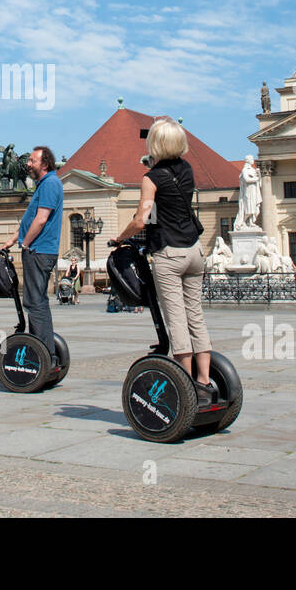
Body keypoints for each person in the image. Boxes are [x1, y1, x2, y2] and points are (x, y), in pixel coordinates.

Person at [113, 118, 214, 399]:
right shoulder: (188, 169)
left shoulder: (151, 179)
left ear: (155, 145)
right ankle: (203, 380)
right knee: (196, 315)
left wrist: (120, 238)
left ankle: (184, 383)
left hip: (169, 254)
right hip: (195, 250)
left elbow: (142, 219)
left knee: (176, 319)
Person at [0, 146, 63, 361]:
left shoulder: (50, 184)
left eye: (32, 161)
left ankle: (45, 355)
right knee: (35, 301)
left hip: (39, 250)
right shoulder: (43, 185)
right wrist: (12, 240)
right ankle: (44, 351)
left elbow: (41, 219)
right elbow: (30, 220)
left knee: (36, 302)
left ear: (44, 164)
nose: (27, 164)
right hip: (37, 249)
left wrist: (25, 245)